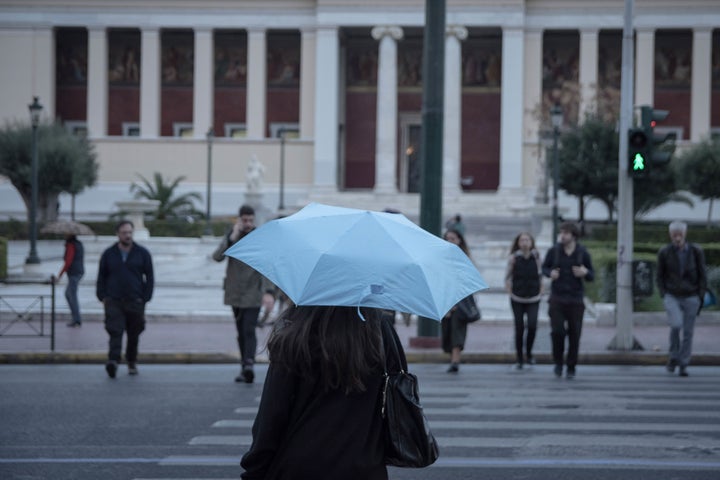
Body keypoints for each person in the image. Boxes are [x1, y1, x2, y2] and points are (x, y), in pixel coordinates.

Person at [240, 305, 396, 480]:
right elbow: (397, 400)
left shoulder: (297, 332)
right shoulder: (380, 330)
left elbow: (271, 417)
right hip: (365, 466)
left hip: (301, 466)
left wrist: (254, 471)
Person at [213, 204, 275, 383]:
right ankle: (244, 365)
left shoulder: (259, 238)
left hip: (253, 292)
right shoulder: (232, 237)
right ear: (239, 219)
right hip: (235, 293)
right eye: (244, 220)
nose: (247, 223)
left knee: (249, 329)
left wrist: (269, 292)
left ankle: (249, 364)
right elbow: (217, 257)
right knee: (240, 330)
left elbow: (267, 267)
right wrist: (231, 237)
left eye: (250, 220)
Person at [96, 220, 154, 378]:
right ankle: (113, 361)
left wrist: (146, 297)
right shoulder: (109, 253)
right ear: (118, 234)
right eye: (124, 233)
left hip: (135, 300)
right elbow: (101, 275)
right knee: (115, 331)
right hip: (113, 300)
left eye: (130, 232)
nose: (127, 235)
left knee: (134, 334)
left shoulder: (142, 253)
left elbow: (149, 276)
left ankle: (131, 361)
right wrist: (102, 296)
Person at [541, 221, 594, 379]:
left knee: (575, 334)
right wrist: (550, 273)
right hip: (557, 298)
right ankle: (558, 362)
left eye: (565, 233)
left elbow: (592, 275)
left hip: (576, 299)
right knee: (557, 331)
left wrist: (585, 272)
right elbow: (544, 268)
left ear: (573, 235)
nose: (562, 236)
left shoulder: (582, 252)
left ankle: (571, 366)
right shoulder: (554, 251)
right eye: (561, 232)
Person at [656, 220, 707, 377]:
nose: (677, 238)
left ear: (684, 234)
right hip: (672, 295)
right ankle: (673, 357)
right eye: (674, 235)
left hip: (691, 295)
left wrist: (700, 295)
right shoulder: (665, 252)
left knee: (688, 332)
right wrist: (664, 293)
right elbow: (659, 275)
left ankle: (683, 363)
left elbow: (702, 275)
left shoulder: (695, 251)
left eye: (680, 234)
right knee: (676, 324)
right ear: (670, 235)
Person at [505, 232, 543, 369]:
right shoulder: (514, 258)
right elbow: (507, 276)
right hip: (517, 297)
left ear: (532, 242)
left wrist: (541, 290)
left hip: (534, 297)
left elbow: (541, 275)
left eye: (527, 239)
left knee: (532, 325)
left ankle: (529, 353)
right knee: (519, 327)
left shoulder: (537, 257)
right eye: (522, 240)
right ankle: (519, 358)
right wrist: (510, 291)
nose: (525, 242)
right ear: (518, 242)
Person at [441, 228, 473, 373]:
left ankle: (455, 361)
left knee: (457, 331)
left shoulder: (464, 258)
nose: (450, 241)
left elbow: (467, 280)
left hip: (460, 300)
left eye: (453, 238)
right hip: (445, 299)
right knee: (447, 331)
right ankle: (453, 358)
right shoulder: (441, 257)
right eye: (447, 238)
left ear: (459, 240)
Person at [56, 234, 85, 328]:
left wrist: (60, 275)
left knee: (71, 295)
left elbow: (68, 261)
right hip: (78, 271)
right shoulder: (78, 244)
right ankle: (75, 318)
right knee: (69, 294)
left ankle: (76, 319)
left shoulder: (71, 245)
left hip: (74, 272)